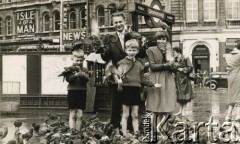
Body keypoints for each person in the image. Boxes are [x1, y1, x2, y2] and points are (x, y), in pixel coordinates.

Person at [117, 39, 161, 136]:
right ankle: (124, 134)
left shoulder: (139, 64)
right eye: (129, 50)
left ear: (137, 51)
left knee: (135, 114)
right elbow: (118, 76)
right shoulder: (121, 63)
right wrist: (119, 79)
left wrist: (153, 84)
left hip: (136, 90)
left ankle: (136, 132)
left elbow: (142, 80)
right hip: (126, 90)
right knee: (125, 114)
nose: (131, 52)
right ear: (125, 50)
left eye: (134, 50)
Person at [96, 11, 127, 128]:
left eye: (120, 22)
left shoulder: (132, 35)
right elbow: (106, 56)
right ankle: (114, 129)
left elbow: (139, 53)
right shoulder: (110, 39)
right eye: (116, 22)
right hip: (115, 75)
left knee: (128, 104)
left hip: (130, 75)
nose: (118, 24)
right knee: (115, 104)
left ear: (125, 21)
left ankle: (128, 129)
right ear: (113, 24)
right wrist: (101, 48)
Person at [146, 31, 177, 124]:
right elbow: (152, 66)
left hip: (168, 79)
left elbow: (173, 68)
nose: (161, 41)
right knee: (156, 104)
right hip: (156, 78)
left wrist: (173, 65)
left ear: (167, 40)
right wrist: (165, 65)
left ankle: (164, 127)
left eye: (164, 39)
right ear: (156, 40)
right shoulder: (151, 49)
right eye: (159, 39)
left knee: (167, 104)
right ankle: (156, 129)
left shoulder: (170, 51)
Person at [64, 44, 89, 134]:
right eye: (76, 60)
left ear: (83, 60)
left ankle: (77, 131)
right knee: (72, 113)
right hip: (72, 92)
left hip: (82, 92)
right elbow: (68, 79)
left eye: (80, 60)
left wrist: (82, 75)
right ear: (72, 59)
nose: (78, 62)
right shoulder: (69, 69)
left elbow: (87, 80)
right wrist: (75, 75)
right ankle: (71, 130)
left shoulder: (85, 69)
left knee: (80, 114)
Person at [172, 47, 194, 116]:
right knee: (179, 95)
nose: (173, 54)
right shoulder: (174, 60)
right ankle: (180, 110)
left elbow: (190, 67)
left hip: (185, 79)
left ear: (178, 52)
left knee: (185, 95)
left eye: (174, 52)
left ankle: (184, 110)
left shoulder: (185, 58)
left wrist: (183, 69)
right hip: (177, 79)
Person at [224, 45, 240, 122]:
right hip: (238, 77)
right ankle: (238, 115)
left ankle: (228, 116)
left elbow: (225, 67)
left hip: (230, 78)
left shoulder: (228, 56)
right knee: (238, 97)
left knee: (231, 96)